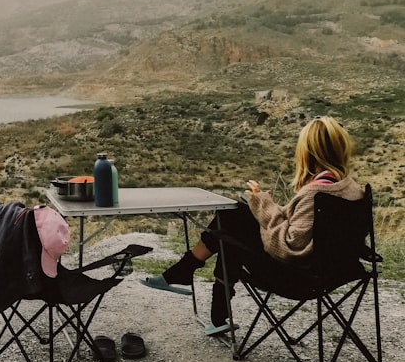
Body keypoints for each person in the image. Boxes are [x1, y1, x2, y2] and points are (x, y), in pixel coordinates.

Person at [140, 115, 364, 335]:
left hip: (299, 278)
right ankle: (210, 303)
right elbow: (304, 228)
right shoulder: (350, 190)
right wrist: (262, 205)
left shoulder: (316, 192)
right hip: (335, 271)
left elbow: (291, 247)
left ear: (309, 151)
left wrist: (263, 205)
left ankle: (189, 274)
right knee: (236, 219)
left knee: (231, 222)